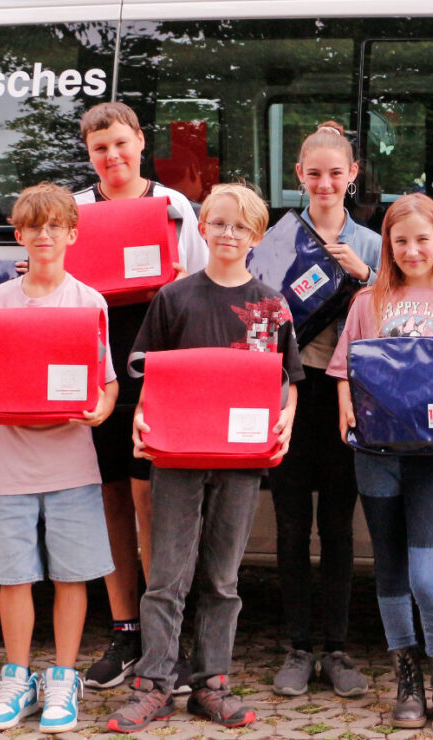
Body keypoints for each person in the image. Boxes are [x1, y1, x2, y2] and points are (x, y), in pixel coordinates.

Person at [105, 183, 301, 732]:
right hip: (176, 455)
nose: (228, 234)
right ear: (201, 228)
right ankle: (154, 684)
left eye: (240, 226)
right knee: (166, 575)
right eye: (218, 223)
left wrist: (286, 419)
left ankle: (212, 683)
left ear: (256, 236)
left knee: (222, 578)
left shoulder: (271, 304)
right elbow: (150, 375)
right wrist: (142, 421)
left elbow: (287, 382)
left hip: (241, 460)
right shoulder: (174, 298)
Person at [328, 193, 433, 734]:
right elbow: (345, 371)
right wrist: (345, 405)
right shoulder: (366, 302)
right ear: (388, 247)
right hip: (376, 454)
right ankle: (408, 682)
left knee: (428, 574)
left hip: (431, 459)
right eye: (401, 241)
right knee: (392, 572)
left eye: (423, 239)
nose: (412, 249)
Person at [0, 183, 118, 733]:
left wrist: (100, 408)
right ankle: (18, 675)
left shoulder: (89, 301)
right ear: (19, 235)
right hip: (11, 463)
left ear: (72, 234)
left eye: (55, 226)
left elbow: (108, 383)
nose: (44, 235)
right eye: (34, 227)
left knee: (72, 575)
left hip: (72, 459)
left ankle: (64, 677)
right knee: (14, 575)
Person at [74, 102, 208, 691]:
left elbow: (201, 290)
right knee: (108, 501)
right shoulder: (75, 209)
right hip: (96, 373)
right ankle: (125, 628)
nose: (112, 156)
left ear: (140, 143)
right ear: (88, 153)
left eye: (121, 144)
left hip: (158, 371)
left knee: (153, 502)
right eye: (100, 148)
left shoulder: (174, 206)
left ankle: (165, 635)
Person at [265, 121, 381, 698]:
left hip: (348, 395)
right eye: (315, 174)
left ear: (353, 175)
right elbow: (255, 309)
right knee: (290, 524)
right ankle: (296, 647)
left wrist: (364, 278)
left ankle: (335, 648)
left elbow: (400, 309)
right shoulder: (280, 238)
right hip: (290, 391)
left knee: (338, 524)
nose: (326, 183)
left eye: (337, 173)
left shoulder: (372, 244)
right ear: (299, 177)